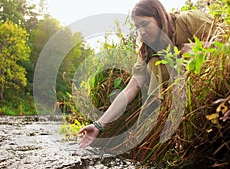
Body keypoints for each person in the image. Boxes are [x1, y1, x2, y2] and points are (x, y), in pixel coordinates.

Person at [78, 0, 214, 148]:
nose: (141, 32)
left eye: (145, 24)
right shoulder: (146, 49)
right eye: (137, 27)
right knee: (155, 63)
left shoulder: (189, 20)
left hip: (208, 88)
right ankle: (160, 120)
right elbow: (131, 88)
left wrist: (196, 49)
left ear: (160, 18)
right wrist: (98, 125)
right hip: (174, 101)